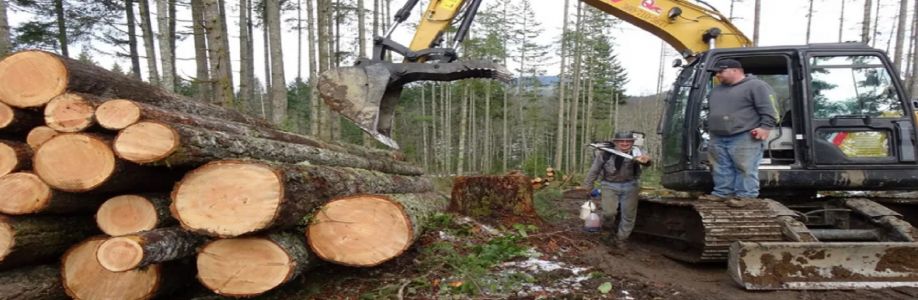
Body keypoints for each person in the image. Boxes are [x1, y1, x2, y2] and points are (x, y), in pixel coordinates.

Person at [701, 59, 778, 207]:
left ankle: (746, 195)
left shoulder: (756, 86)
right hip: (718, 135)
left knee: (744, 166)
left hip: (744, 134)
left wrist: (765, 127)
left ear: (735, 70)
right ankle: (722, 193)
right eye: (716, 72)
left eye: (720, 71)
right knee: (720, 166)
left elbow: (770, 109)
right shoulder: (716, 90)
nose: (717, 75)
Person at [582, 131, 652, 249]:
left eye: (628, 141)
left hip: (631, 185)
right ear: (616, 142)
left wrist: (647, 160)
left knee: (628, 216)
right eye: (621, 141)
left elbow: (647, 161)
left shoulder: (637, 152)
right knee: (609, 213)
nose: (625, 144)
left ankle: (621, 239)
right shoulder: (605, 154)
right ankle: (607, 231)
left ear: (632, 143)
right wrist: (588, 186)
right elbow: (594, 170)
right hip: (609, 185)